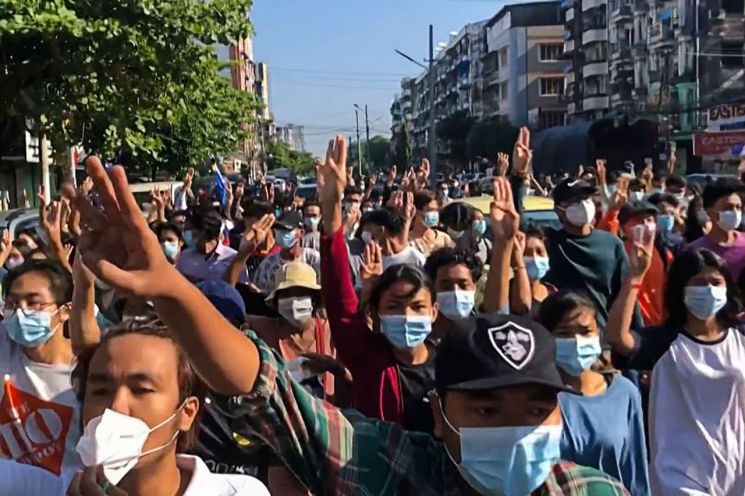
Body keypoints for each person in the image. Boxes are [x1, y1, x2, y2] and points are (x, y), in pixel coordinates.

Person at [67, 146, 628, 496]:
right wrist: (168, 286)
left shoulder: (594, 491)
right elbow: (266, 390)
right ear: (437, 416)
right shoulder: (388, 472)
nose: (516, 431)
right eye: (486, 409)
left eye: (537, 409)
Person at [69, 319, 270, 495]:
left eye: (141, 390)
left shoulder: (239, 492)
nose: (116, 407)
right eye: (101, 391)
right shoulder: (53, 487)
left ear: (187, 412)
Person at [606, 240, 745, 496]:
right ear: (681, 290)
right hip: (678, 475)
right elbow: (617, 337)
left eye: (716, 282)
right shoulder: (663, 342)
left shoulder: (740, 339)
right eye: (699, 283)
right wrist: (635, 277)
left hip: (735, 472)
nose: (709, 290)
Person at [538, 291, 650, 496]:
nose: (576, 341)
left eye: (585, 331)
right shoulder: (537, 397)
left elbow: (635, 472)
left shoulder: (625, 393)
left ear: (597, 333)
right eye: (564, 333)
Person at [0, 261, 80, 482]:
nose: (20, 312)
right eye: (13, 303)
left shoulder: (87, 375)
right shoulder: (4, 345)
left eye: (33, 303)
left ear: (64, 311)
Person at [544, 178, 638, 331]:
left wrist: (635, 339)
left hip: (602, 341)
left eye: (586, 198)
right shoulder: (551, 243)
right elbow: (516, 227)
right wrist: (519, 177)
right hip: (560, 338)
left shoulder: (611, 244)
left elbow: (626, 294)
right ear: (558, 210)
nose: (582, 205)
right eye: (574, 201)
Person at [615, 201, 672, 326]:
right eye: (639, 221)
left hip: (660, 324)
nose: (646, 225)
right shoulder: (617, 252)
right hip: (630, 324)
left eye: (650, 220)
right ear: (623, 228)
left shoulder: (664, 253)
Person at [687, 178, 745, 279]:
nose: (735, 212)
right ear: (710, 212)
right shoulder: (695, 251)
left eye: (738, 207)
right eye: (728, 208)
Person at [252, 210, 321, 295]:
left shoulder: (314, 259)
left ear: (301, 232)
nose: (281, 233)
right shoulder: (268, 265)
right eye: (278, 229)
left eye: (286, 230)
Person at [175, 208, 248, 284]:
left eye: (188, 229)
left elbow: (241, 291)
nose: (185, 234)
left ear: (203, 232)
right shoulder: (184, 257)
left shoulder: (233, 259)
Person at [423, 247, 482, 341]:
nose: (455, 292)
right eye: (446, 286)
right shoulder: (420, 335)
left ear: (474, 287)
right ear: (432, 287)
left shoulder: (482, 332)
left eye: (463, 285)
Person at [360, 207, 425, 270]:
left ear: (381, 229)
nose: (364, 234)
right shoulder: (371, 260)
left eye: (368, 229)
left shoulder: (416, 258)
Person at [409, 191, 454, 256]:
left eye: (437, 210)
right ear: (416, 212)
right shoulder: (406, 240)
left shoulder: (444, 238)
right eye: (430, 210)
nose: (435, 214)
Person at [521, 225, 554, 313]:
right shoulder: (504, 294)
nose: (535, 258)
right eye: (526, 253)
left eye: (539, 252)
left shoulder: (553, 295)